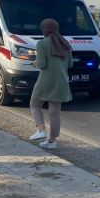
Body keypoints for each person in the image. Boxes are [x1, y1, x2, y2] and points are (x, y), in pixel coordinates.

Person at [29, 18, 73, 149]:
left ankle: (40, 130)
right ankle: (51, 142)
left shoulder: (42, 44)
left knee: (35, 104)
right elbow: (70, 64)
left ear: (44, 30)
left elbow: (42, 64)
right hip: (62, 82)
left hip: (46, 80)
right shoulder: (65, 43)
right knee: (54, 113)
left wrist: (35, 63)